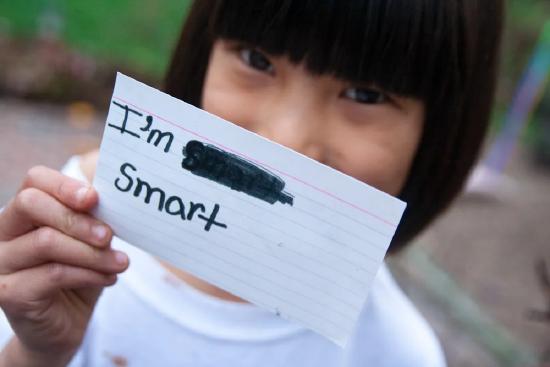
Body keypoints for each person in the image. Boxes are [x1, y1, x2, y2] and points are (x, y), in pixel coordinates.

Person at [0, 0, 503, 366]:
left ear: (437, 136)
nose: (284, 141)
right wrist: (36, 353)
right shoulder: (74, 237)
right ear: (203, 52)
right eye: (257, 60)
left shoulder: (394, 352)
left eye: (365, 95)